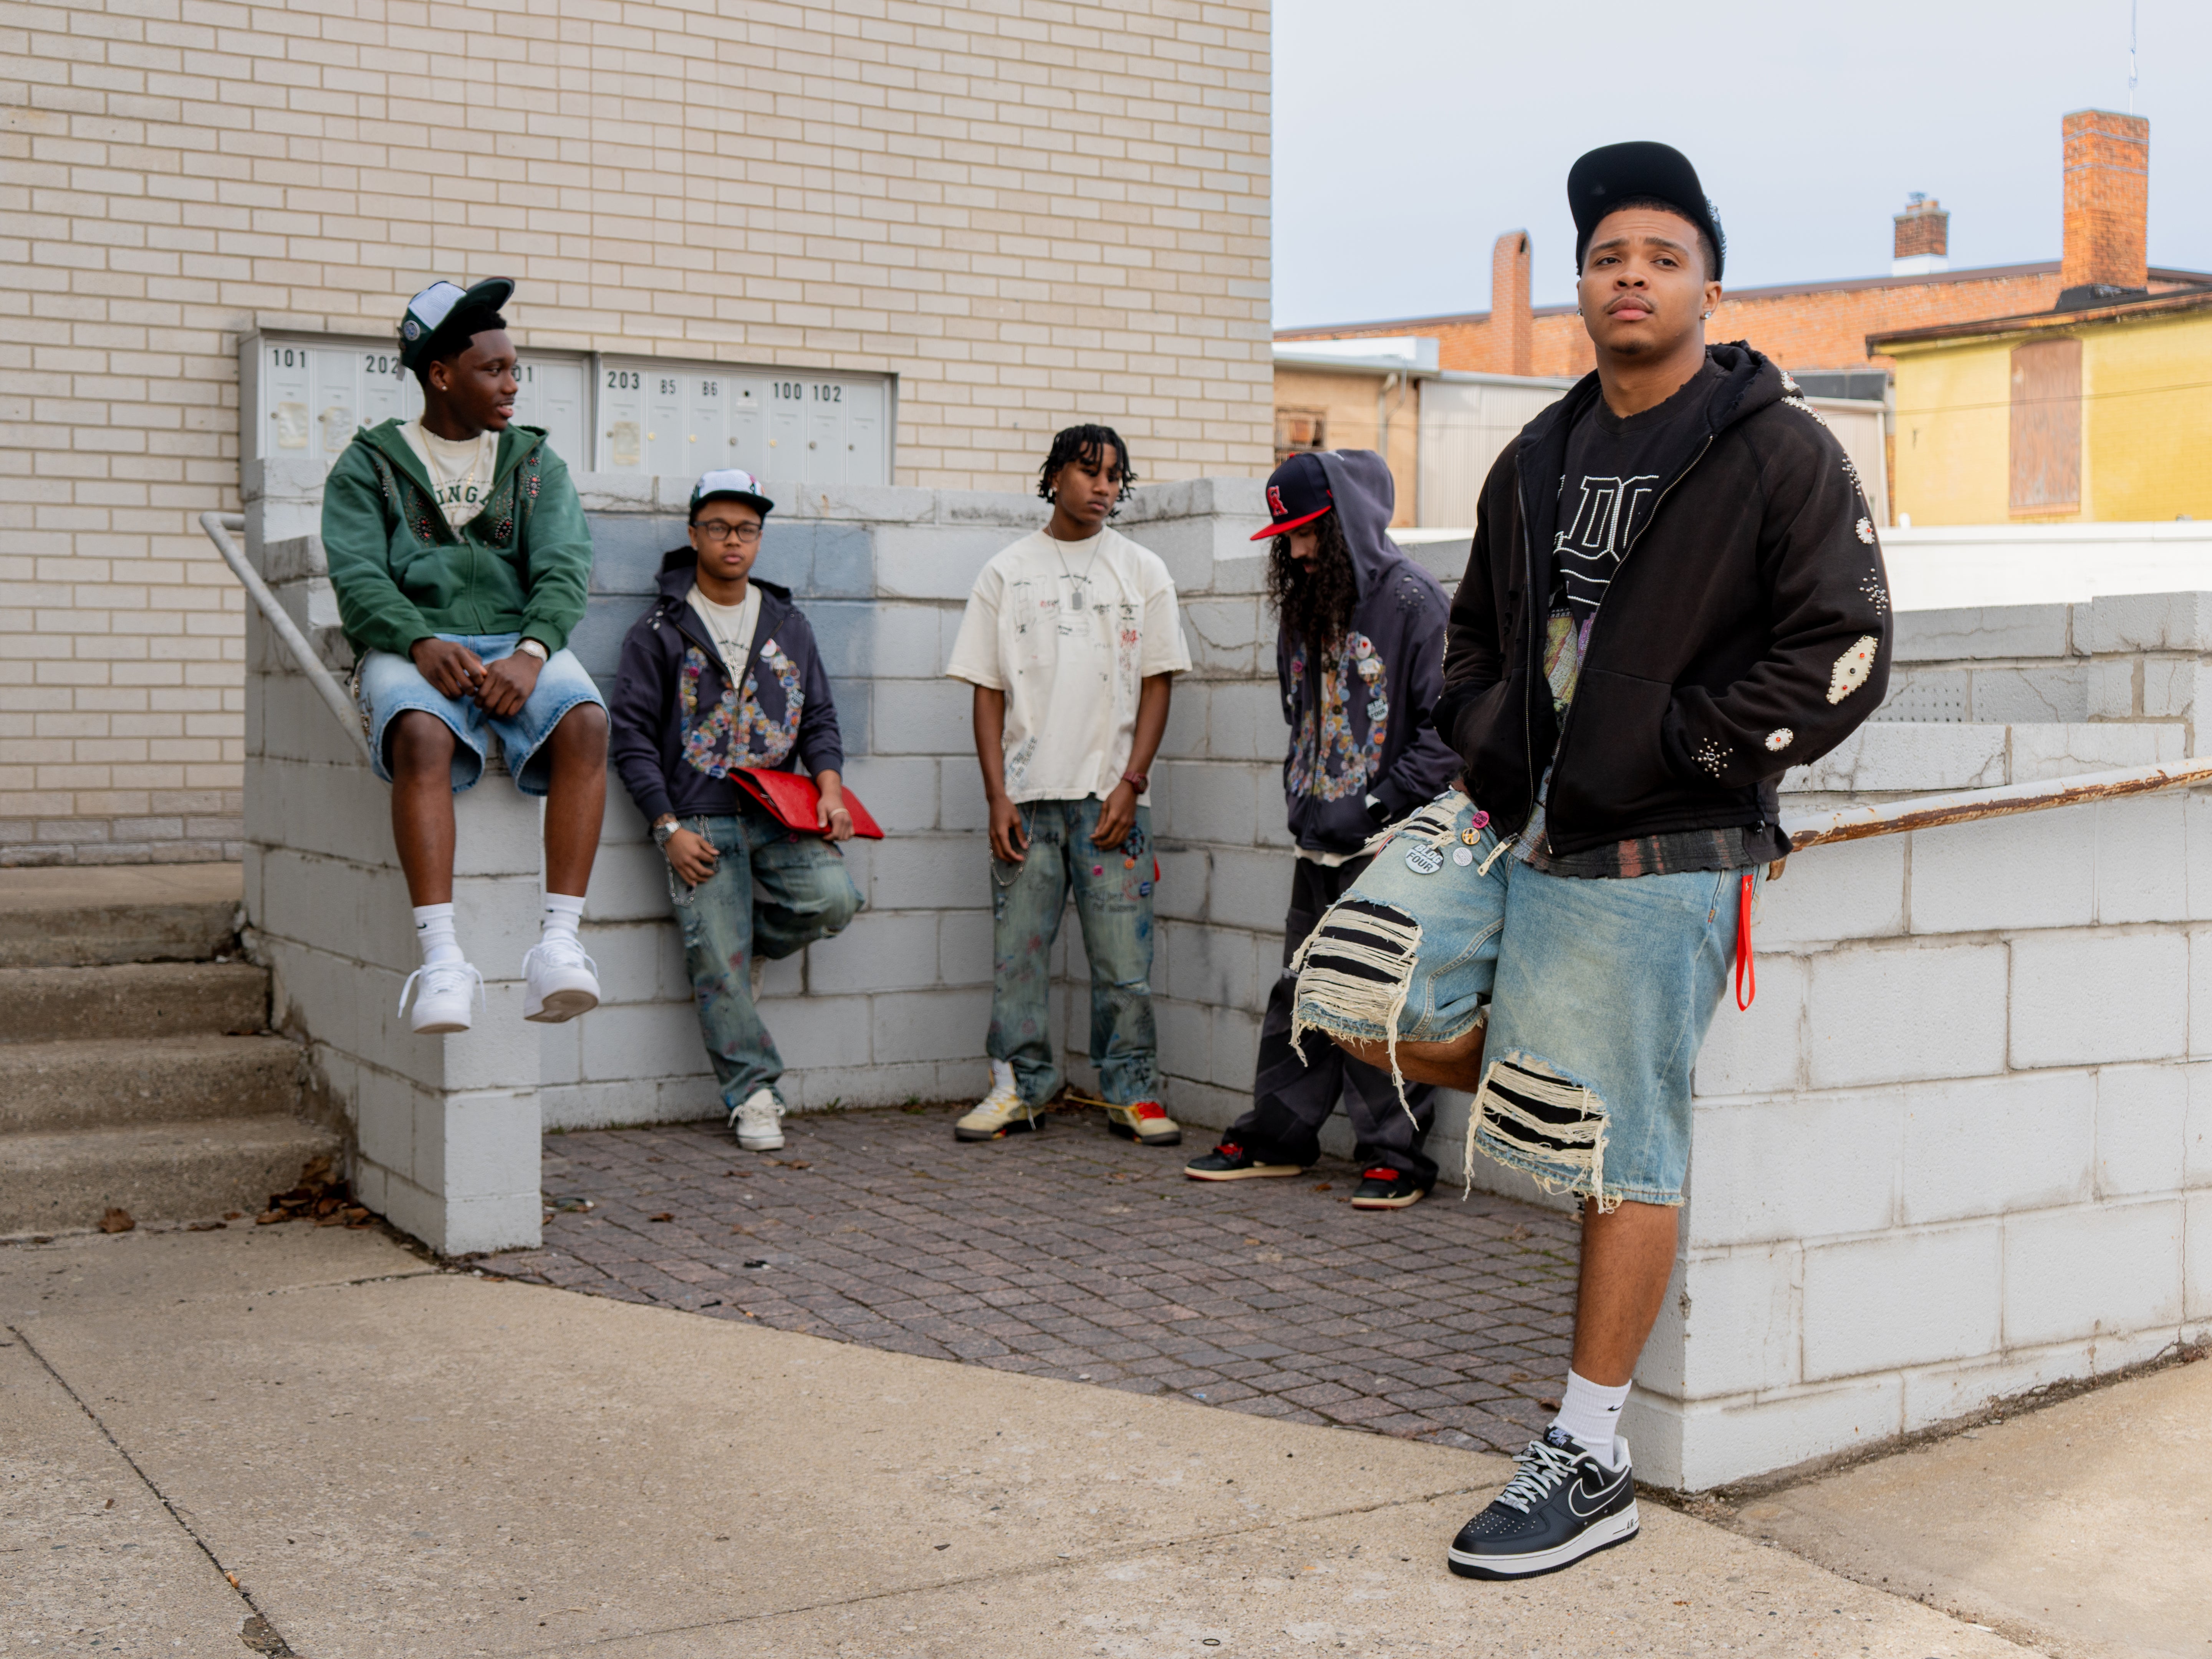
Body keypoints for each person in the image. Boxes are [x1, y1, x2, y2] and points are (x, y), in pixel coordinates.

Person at [1288, 143, 1892, 1579]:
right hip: (1515, 814)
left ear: (1708, 284)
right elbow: (1481, 637)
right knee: (1354, 994)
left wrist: (1684, 746)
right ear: (1582, 284)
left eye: (1663, 256)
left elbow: (1847, 653)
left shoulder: (1779, 449)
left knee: (1623, 1145)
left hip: (1667, 840)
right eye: (1610, 255)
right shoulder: (1541, 454)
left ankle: (1591, 1446)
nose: (1633, 275)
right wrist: (1498, 734)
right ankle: (1556, 1070)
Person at [323, 278, 608, 1036]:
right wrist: (417, 640)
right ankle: (443, 960)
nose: (512, 384)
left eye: (515, 368)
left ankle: (558, 946)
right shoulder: (370, 464)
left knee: (585, 722)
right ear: (441, 373)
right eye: (494, 369)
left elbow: (565, 567)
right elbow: (357, 576)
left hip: (518, 639)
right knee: (420, 734)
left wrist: (532, 650)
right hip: (409, 641)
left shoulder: (534, 462)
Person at [1183, 450, 1458, 1209]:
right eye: (1288, 537)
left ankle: (1397, 1158)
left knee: (1375, 993)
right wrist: (1310, 800)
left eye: (1310, 534)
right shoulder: (1309, 603)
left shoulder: (1414, 604)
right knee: (1302, 990)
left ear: (1350, 524)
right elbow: (1300, 716)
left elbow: (1453, 729)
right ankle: (1277, 1138)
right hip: (1318, 840)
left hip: (1387, 844)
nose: (1298, 552)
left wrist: (1377, 805)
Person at [944, 425, 1192, 1146]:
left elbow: (1158, 685)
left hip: (1112, 800)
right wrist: (996, 796)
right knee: (1018, 957)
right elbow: (987, 693)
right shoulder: (1007, 571)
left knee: (1123, 964)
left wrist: (1131, 782)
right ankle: (1018, 1088)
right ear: (1054, 477)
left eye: (1115, 475)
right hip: (1025, 801)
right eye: (1088, 472)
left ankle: (1132, 1094)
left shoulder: (1143, 571)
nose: (1104, 486)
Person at [608, 470, 862, 1152]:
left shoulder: (788, 624)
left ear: (760, 539)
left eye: (746, 529)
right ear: (694, 535)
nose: (733, 541)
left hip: (777, 813)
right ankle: (754, 1094)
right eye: (718, 527)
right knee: (716, 964)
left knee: (835, 898)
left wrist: (830, 789)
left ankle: (738, 947)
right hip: (699, 820)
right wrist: (666, 830)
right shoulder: (658, 630)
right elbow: (629, 739)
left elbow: (821, 719)